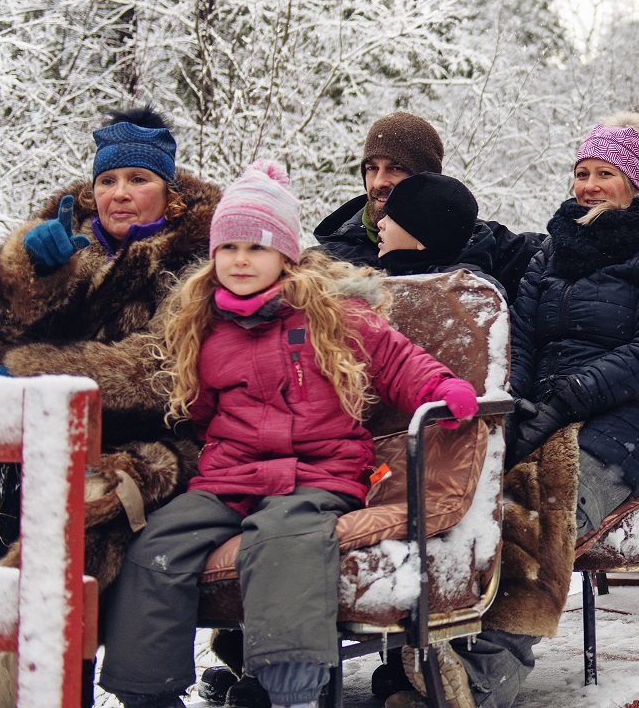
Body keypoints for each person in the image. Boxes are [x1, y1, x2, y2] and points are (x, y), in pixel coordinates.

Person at [97, 161, 479, 708]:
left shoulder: (334, 315)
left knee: (283, 541)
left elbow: (398, 363)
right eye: (228, 249)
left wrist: (444, 389)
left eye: (256, 247)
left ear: (285, 255)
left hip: (317, 475)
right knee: (158, 544)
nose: (241, 260)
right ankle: (147, 692)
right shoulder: (205, 327)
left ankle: (291, 692)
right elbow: (203, 411)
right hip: (232, 476)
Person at [390, 114, 639, 708]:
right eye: (581, 173)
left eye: (605, 174)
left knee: (540, 504)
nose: (589, 186)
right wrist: (514, 404)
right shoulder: (552, 254)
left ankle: (481, 681)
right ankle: (426, 645)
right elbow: (523, 342)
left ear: (634, 182)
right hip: (549, 408)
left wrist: (571, 396)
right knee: (468, 491)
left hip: (638, 423)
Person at [0, 108, 219, 587]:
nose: (120, 193)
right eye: (107, 180)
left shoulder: (203, 260)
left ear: (171, 196)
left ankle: (23, 657)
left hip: (133, 453)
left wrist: (31, 376)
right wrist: (31, 273)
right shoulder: (67, 242)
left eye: (139, 178)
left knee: (50, 555)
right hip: (26, 446)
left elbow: (162, 371)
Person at [313, 112, 542, 292]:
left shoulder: (481, 243)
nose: (379, 182)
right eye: (372, 168)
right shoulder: (329, 260)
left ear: (427, 182)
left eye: (396, 168)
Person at [375, 173, 504, 295]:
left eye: (392, 218)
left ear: (422, 239)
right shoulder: (406, 273)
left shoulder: (467, 293)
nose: (380, 223)